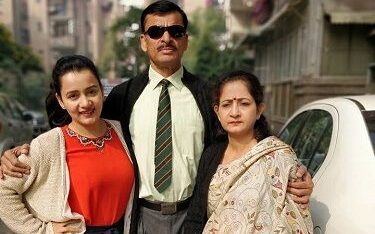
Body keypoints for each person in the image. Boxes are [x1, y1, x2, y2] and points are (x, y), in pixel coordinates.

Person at [0, 1, 313, 233]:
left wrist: (289, 174)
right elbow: (78, 127)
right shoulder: (123, 96)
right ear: (143, 41)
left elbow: (242, 138)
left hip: (194, 214)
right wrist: (20, 153)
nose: (166, 38)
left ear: (185, 39)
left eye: (175, 30)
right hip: (139, 218)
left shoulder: (206, 95)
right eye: (155, 31)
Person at [0, 55, 136, 234]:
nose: (85, 103)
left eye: (91, 92)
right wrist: (41, 231)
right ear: (60, 100)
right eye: (73, 96)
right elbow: (3, 190)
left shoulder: (123, 132)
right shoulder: (48, 146)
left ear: (102, 91)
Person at [184, 70, 313, 233]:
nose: (235, 112)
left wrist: (304, 183)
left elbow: (295, 216)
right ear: (217, 112)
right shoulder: (210, 155)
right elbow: (196, 214)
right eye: (226, 105)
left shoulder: (277, 156)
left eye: (244, 103)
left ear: (259, 110)